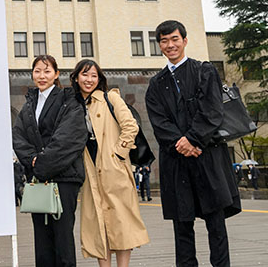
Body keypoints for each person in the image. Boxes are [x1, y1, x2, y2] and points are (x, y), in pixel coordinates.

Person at [145, 20, 241, 267]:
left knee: (216, 224)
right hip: (177, 162)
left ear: (185, 41)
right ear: (159, 46)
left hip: (206, 156)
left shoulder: (203, 71)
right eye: (164, 41)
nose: (170, 45)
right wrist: (181, 143)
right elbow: (159, 121)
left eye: (175, 39)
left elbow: (212, 110)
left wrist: (193, 139)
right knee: (182, 227)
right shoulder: (156, 83)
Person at [71, 59, 149, 267]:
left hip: (114, 171)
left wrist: (118, 155)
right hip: (90, 172)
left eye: (94, 75)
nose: (89, 80)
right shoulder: (72, 104)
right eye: (85, 75)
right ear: (76, 77)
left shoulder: (110, 98)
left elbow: (130, 126)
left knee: (122, 224)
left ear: (100, 78)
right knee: (98, 225)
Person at [12, 55, 86, 267]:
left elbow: (68, 138)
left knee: (62, 239)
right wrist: (32, 160)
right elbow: (18, 137)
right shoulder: (29, 104)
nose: (41, 76)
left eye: (47, 71)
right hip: (38, 181)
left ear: (56, 74)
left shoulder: (68, 100)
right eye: (37, 71)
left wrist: (41, 164)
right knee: (42, 240)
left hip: (64, 178)